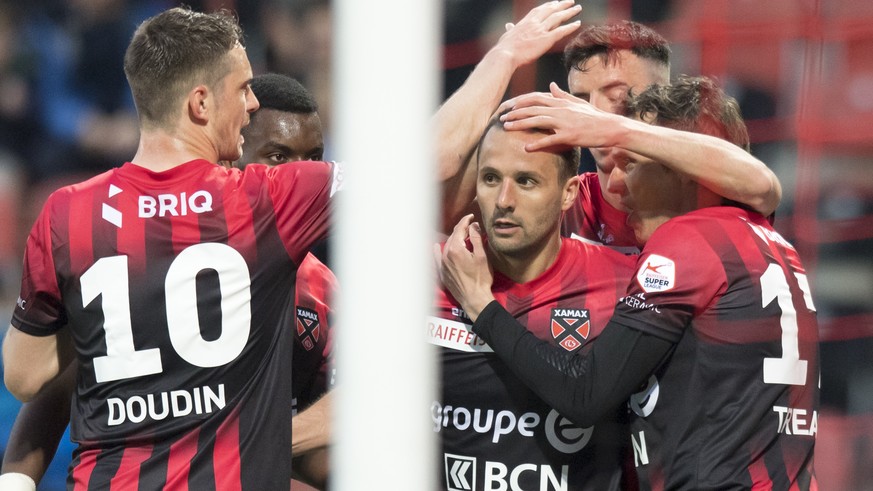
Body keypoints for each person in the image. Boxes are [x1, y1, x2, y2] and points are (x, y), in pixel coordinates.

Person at [1, 7, 339, 489]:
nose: (300, 175)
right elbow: (51, 380)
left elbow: (29, 373)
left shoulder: (72, 217)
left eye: (312, 161)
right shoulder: (254, 208)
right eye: (279, 159)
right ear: (205, 111)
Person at [438, 75, 819, 490]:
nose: (616, 185)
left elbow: (584, 395)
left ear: (683, 170)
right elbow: (763, 185)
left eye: (631, 164)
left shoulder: (687, 244)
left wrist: (480, 304)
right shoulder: (766, 239)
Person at [435, 0, 781, 253]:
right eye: (582, 98)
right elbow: (430, 169)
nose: (593, 112)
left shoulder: (693, 188)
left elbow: (763, 187)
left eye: (618, 96)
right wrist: (503, 57)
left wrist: (613, 129)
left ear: (660, 99)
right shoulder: (560, 199)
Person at [430, 113, 637, 490]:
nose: (504, 201)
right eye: (491, 178)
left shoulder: (624, 285)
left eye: (526, 181)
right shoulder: (426, 279)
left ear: (569, 192)